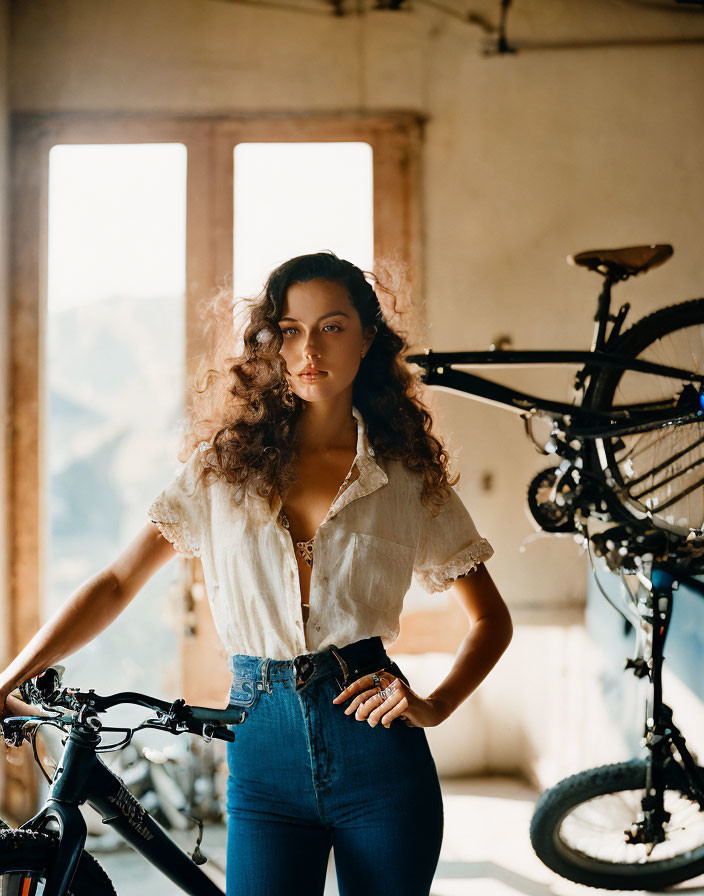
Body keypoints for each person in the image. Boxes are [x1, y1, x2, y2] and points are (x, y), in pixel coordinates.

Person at [1, 251, 512, 896]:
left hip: (379, 758)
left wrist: (435, 704)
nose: (309, 349)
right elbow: (117, 583)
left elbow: (492, 619)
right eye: (291, 330)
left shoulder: (405, 475)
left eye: (331, 326)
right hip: (260, 755)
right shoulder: (222, 469)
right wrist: (11, 674)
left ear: (368, 338)